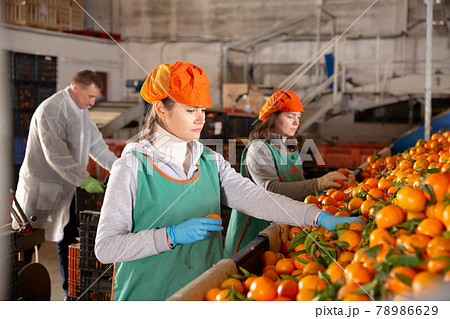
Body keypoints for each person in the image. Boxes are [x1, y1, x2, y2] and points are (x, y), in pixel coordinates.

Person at [94, 61, 363, 301]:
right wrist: (169, 236)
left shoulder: (209, 161)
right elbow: (105, 248)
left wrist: (316, 216)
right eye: (190, 110)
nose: (201, 118)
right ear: (161, 109)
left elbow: (256, 198)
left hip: (204, 294)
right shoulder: (131, 166)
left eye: (202, 109)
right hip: (148, 298)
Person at [12, 70, 118, 298]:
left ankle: (71, 291)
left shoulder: (81, 112)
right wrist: (85, 180)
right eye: (90, 96)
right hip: (42, 187)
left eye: (95, 98)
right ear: (75, 88)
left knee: (67, 237)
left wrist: (118, 167)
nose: (92, 102)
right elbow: (56, 156)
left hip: (66, 188)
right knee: (28, 242)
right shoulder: (51, 110)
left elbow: (97, 147)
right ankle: (16, 291)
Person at [224, 90, 354, 258]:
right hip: (256, 230)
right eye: (290, 116)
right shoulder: (259, 149)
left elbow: (298, 185)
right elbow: (271, 189)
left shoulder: (290, 148)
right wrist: (320, 183)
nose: (296, 122)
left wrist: (335, 181)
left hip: (285, 225)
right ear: (273, 118)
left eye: (298, 117)